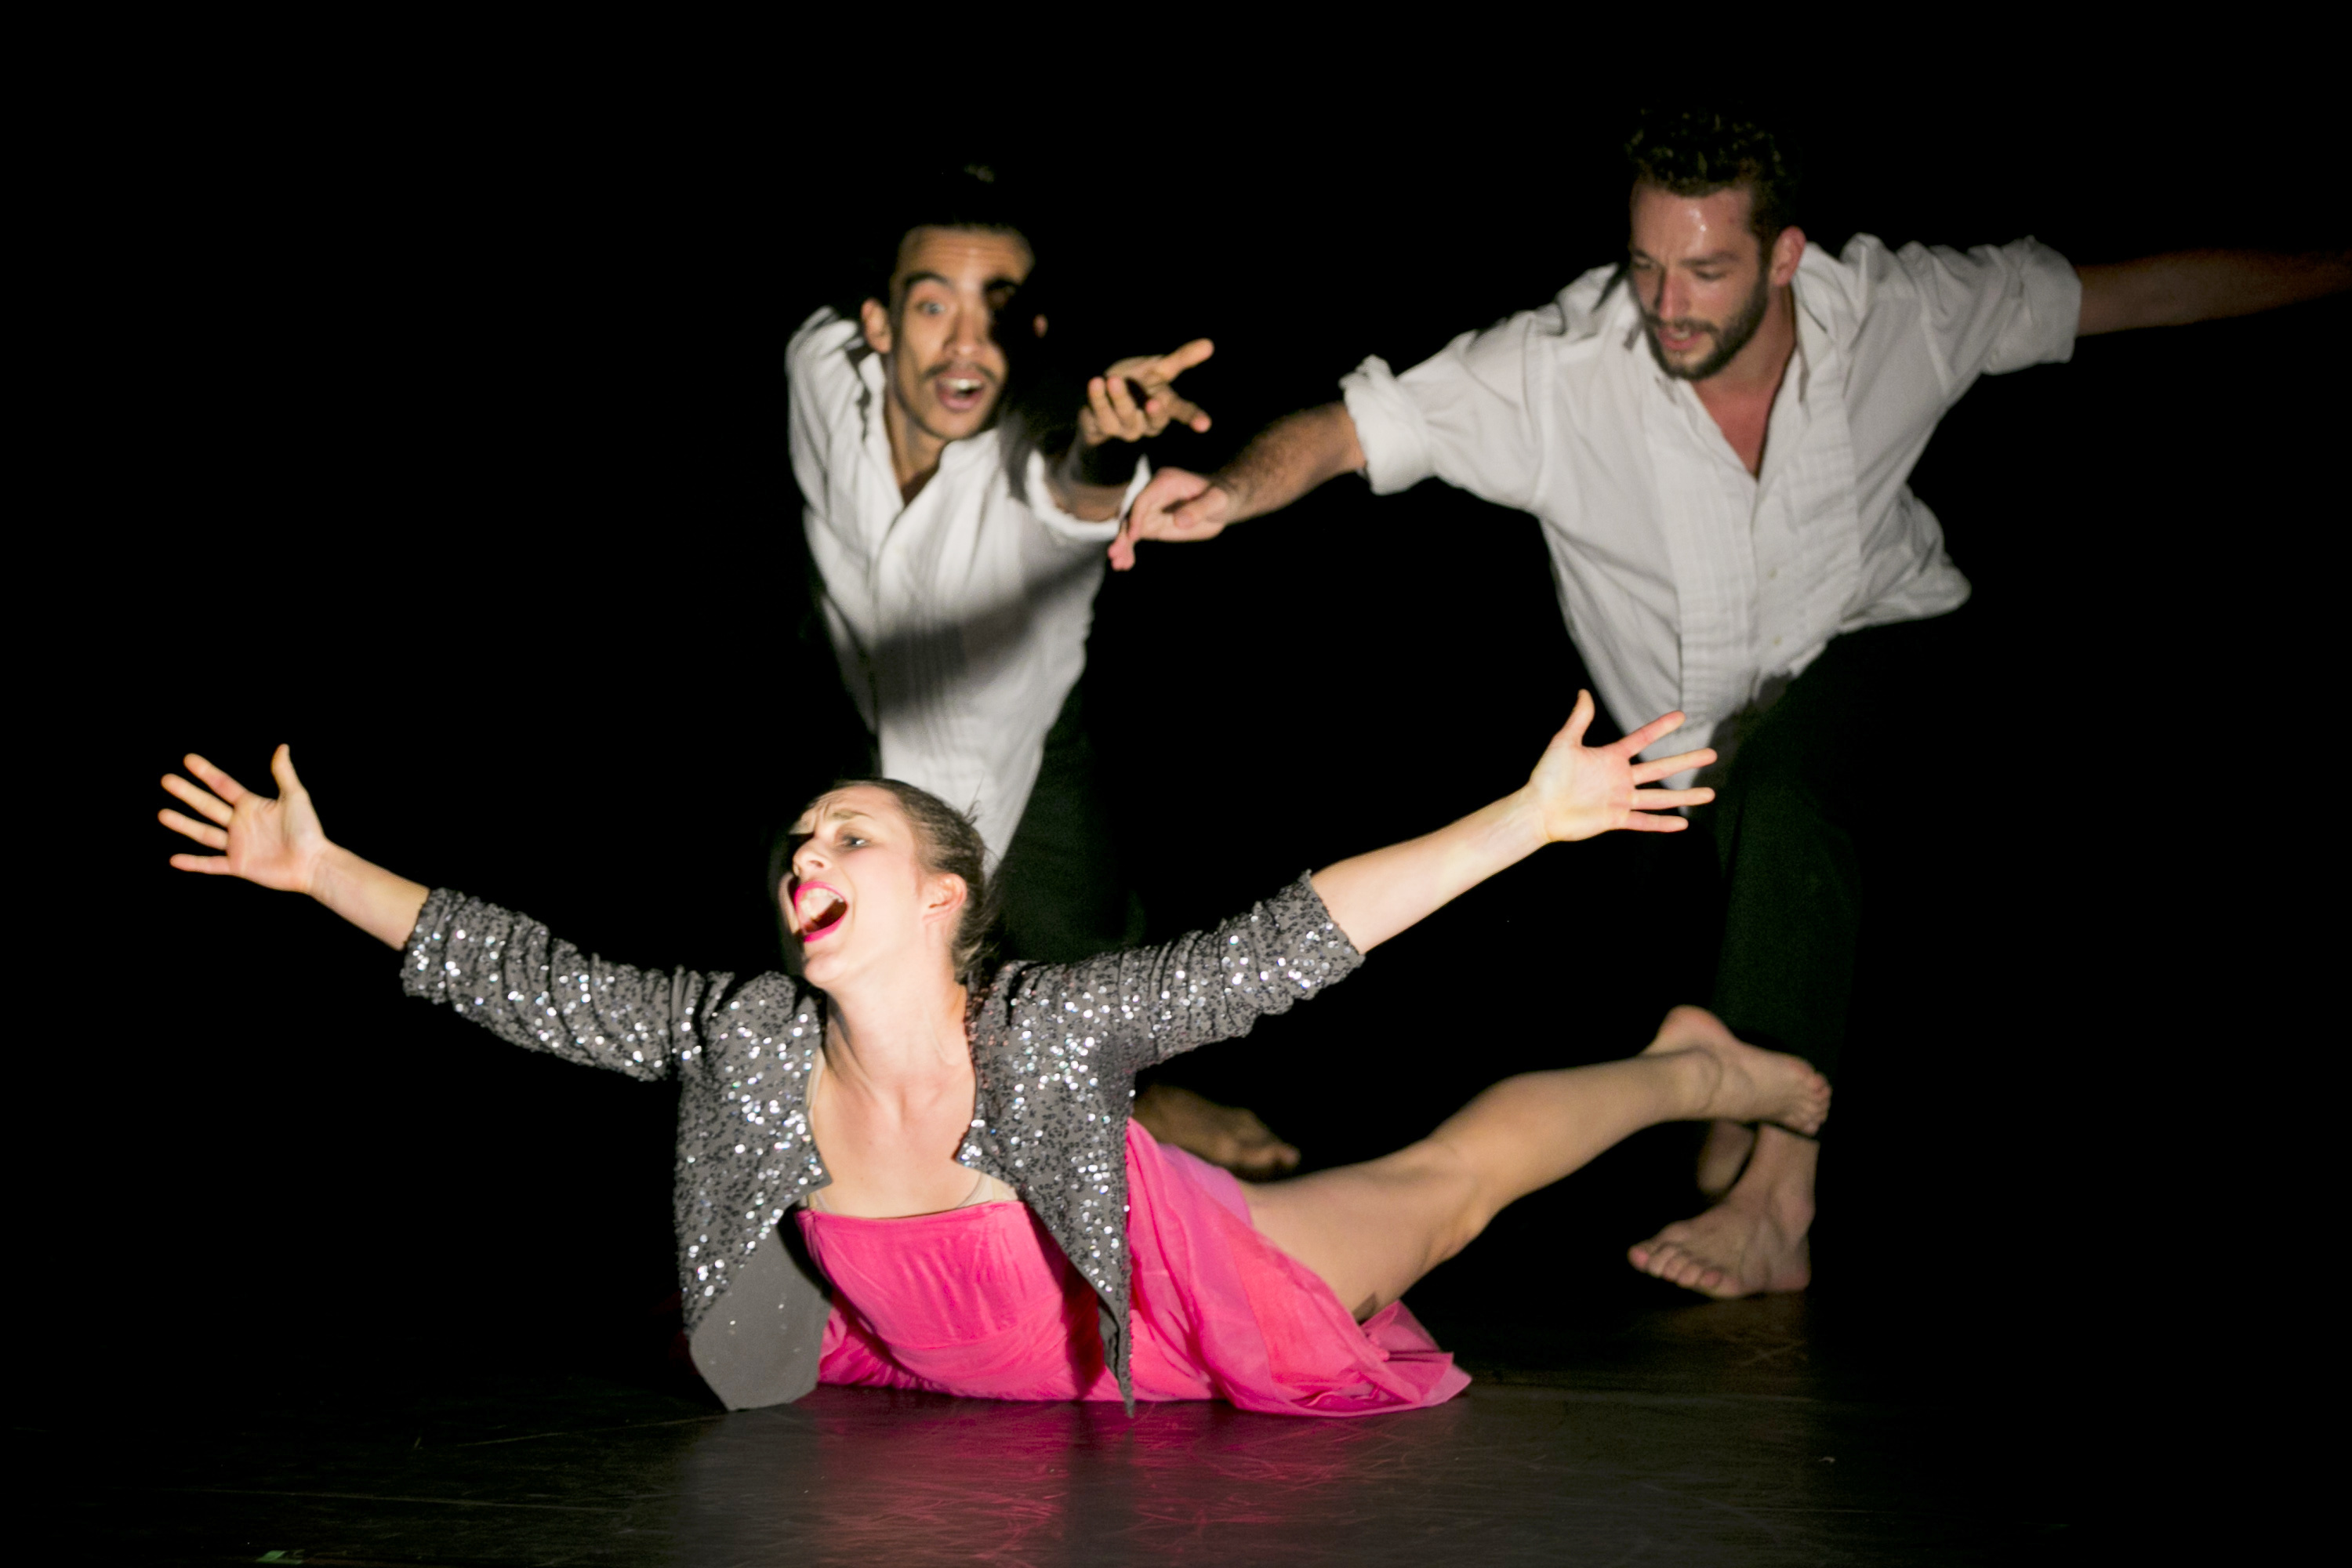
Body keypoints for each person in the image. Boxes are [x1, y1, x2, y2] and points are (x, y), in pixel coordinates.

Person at [1112, 111, 2351, 1300]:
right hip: (1683, 762)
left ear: (1786, 255)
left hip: (1892, 655)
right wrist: (1229, 494)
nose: (1668, 305)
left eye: (1707, 271)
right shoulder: (1558, 369)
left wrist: (2342, 266)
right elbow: (1348, 429)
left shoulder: (1901, 314)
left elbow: (2128, 293)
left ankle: (1777, 1198)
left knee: (1795, 786)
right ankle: (1726, 1068)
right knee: (1628, 936)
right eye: (1647, 266)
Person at [155, 693, 1827, 1415]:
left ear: (942, 898)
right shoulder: (748, 1043)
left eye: (852, 836)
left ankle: (1710, 1072)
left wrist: (1527, 819)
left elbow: (1286, 941)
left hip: (1172, 1292)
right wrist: (322, 869)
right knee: (1430, 1185)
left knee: (1443, 1186)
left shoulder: (1045, 1024)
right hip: (986, 1377)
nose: (808, 854)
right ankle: (1701, 1069)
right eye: (799, 840)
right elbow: (529, 980)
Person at [789, 169, 1295, 1174]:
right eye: (933, 305)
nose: (967, 345)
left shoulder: (1036, 440)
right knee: (836, 996)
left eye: (999, 311)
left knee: (1080, 971)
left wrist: (1109, 443)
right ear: (876, 323)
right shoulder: (817, 365)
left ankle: (1144, 1109)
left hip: (1017, 732)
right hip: (854, 711)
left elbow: (1078, 486)